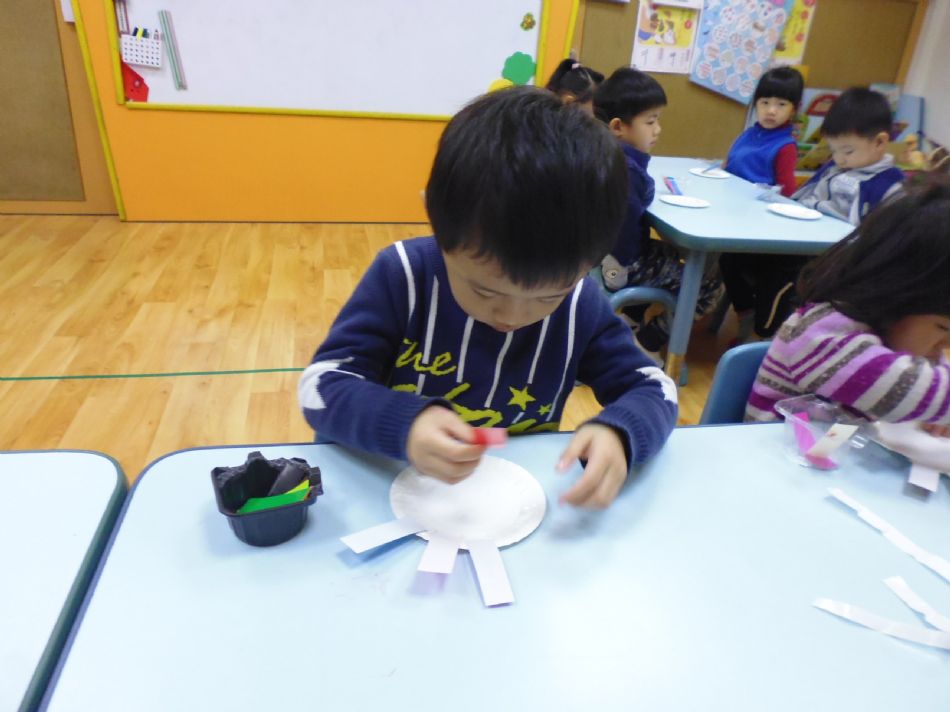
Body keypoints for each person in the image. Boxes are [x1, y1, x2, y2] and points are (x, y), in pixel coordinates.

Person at [299, 87, 678, 509]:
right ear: (436, 220)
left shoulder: (579, 303)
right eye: (484, 289)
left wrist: (621, 433)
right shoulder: (402, 276)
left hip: (507, 505)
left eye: (547, 296)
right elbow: (321, 385)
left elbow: (656, 388)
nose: (512, 316)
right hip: (387, 496)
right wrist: (404, 424)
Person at [746, 179, 950, 435]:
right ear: (894, 293)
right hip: (775, 451)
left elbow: (934, 375)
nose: (946, 344)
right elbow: (907, 390)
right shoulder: (824, 333)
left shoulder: (909, 332)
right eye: (943, 328)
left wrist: (937, 417)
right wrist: (936, 406)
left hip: (841, 450)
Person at [594, 67, 722, 360]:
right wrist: (617, 271)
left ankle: (630, 320)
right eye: (650, 122)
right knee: (708, 285)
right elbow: (625, 232)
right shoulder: (626, 170)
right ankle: (650, 340)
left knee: (667, 253)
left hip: (600, 258)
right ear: (618, 126)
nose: (657, 129)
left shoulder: (605, 155)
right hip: (618, 263)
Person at [719, 66, 806, 343]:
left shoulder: (785, 146)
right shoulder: (748, 134)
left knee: (729, 258)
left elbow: (787, 191)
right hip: (734, 215)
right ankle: (744, 310)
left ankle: (752, 319)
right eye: (765, 102)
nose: (771, 110)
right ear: (755, 104)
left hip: (760, 227)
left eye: (781, 104)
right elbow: (728, 166)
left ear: (794, 109)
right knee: (724, 259)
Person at [793, 87, 905, 225]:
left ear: (879, 142)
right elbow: (807, 196)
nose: (838, 159)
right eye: (833, 151)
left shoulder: (890, 184)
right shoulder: (834, 168)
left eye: (848, 152)